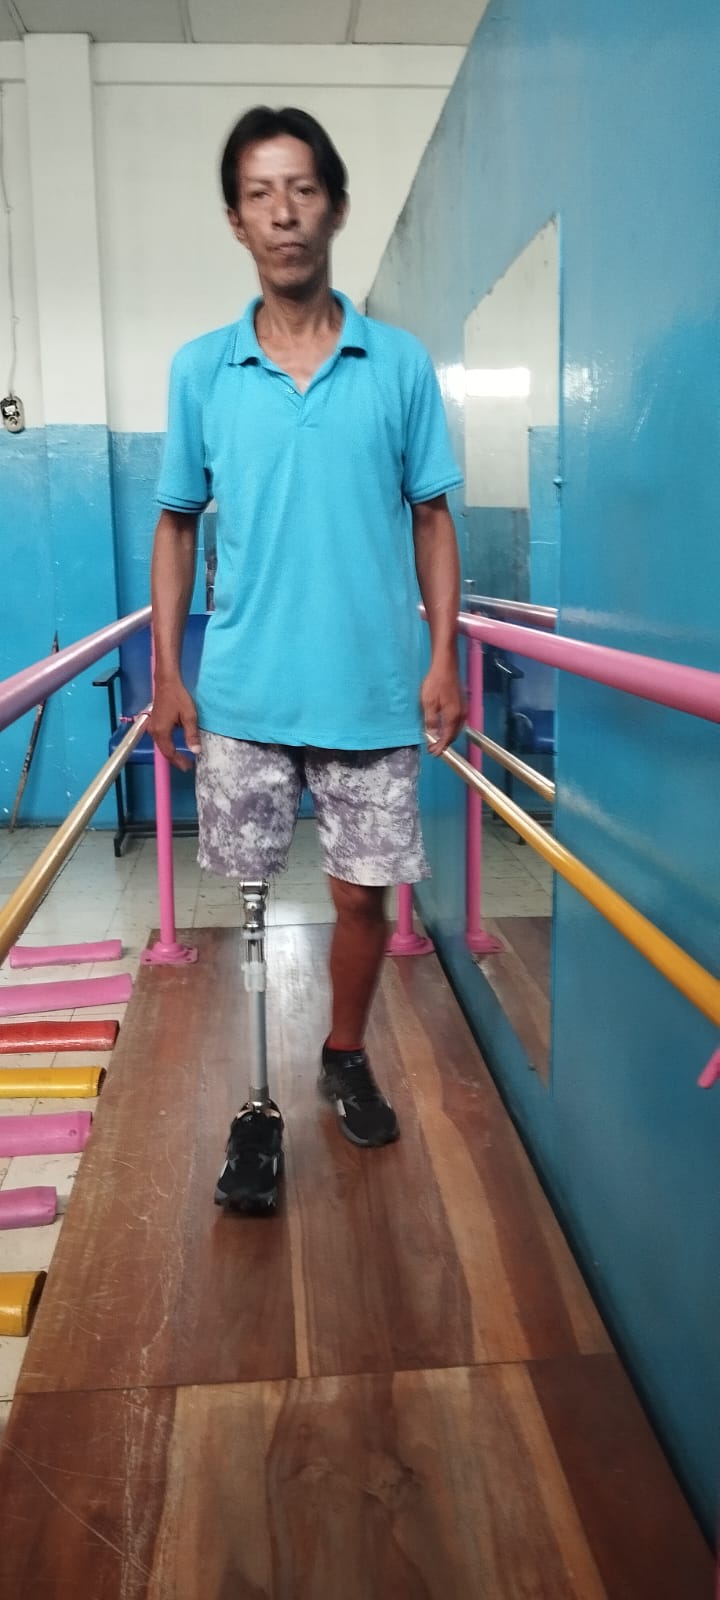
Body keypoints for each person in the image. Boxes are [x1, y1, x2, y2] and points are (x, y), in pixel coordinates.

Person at [149, 105, 464, 1213]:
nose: (283, 213)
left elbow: (433, 517)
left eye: (302, 189)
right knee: (247, 905)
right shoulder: (202, 370)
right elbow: (176, 524)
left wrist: (442, 656)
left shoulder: (398, 363)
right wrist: (169, 673)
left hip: (373, 694)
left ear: (334, 206)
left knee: (363, 902)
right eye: (259, 194)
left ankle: (343, 1051)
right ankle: (255, 1104)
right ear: (236, 220)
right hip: (243, 697)